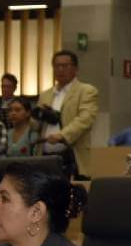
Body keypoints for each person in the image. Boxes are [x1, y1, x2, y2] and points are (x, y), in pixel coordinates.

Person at [36, 50, 99, 178]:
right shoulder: (45, 95)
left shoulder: (86, 91)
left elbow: (85, 119)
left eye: (65, 66)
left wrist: (62, 135)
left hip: (72, 156)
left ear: (75, 69)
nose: (60, 70)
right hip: (45, 156)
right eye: (56, 66)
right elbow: (36, 125)